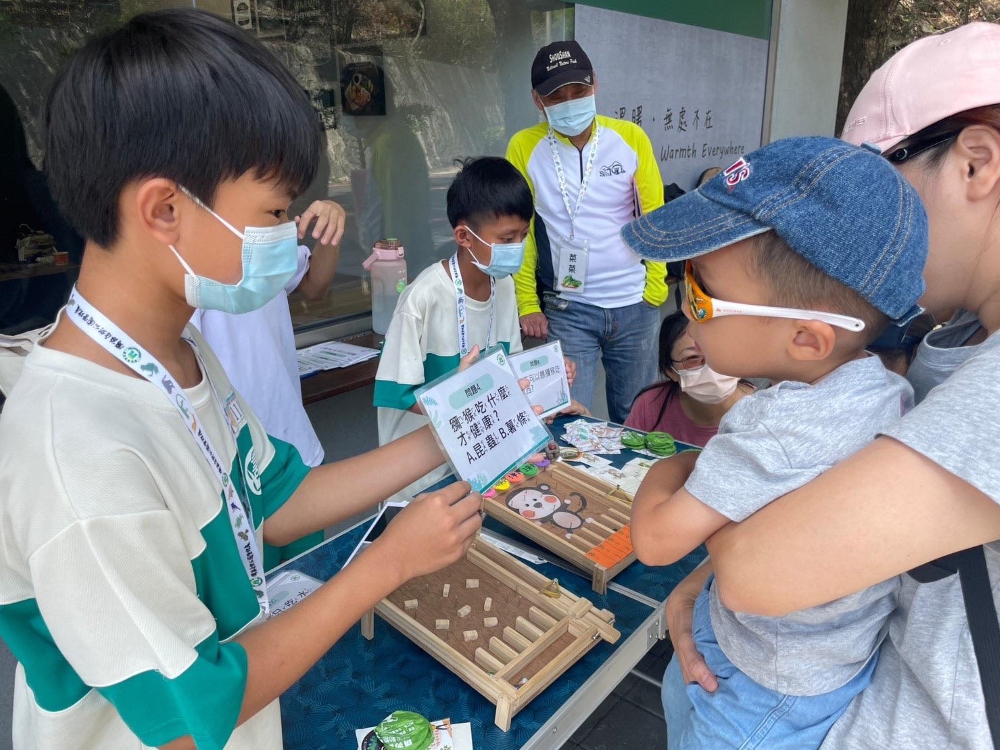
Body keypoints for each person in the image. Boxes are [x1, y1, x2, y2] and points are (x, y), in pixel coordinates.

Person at [0, 11, 485, 748]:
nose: (286, 234)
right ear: (165, 210)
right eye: (274, 212)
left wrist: (447, 431)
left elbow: (276, 501)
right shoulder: (77, 452)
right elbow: (189, 720)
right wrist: (386, 563)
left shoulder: (178, 352)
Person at [663, 23, 1000, 750]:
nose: (858, 236)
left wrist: (693, 482)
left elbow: (755, 570)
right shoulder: (954, 341)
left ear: (976, 163)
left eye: (881, 181)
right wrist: (712, 583)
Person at [623, 137, 928, 748]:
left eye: (700, 292)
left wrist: (677, 461)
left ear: (807, 339)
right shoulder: (882, 386)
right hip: (824, 663)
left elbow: (654, 541)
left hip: (759, 686)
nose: (686, 307)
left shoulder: (771, 431)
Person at [506, 40, 667, 423]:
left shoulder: (630, 137)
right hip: (569, 309)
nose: (570, 102)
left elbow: (655, 215)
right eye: (556, 97)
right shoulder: (524, 147)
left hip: (635, 304)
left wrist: (655, 285)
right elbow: (519, 229)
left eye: (578, 91)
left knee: (636, 418)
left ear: (595, 84)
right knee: (565, 417)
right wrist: (527, 302)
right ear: (537, 100)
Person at [190, 197, 345, 568]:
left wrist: (329, 236)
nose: (287, 223)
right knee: (261, 588)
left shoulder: (266, 248)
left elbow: (315, 286)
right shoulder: (187, 270)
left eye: (286, 210)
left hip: (294, 448)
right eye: (276, 212)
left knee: (309, 578)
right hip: (233, 471)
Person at [373, 157, 532, 501]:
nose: (518, 247)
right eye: (507, 238)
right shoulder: (423, 297)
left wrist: (546, 376)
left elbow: (510, 367)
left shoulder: (504, 285)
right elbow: (398, 393)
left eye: (524, 236)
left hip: (476, 462)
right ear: (464, 236)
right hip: (419, 479)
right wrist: (457, 394)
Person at [624, 310, 752, 447]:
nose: (710, 366)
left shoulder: (761, 410)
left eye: (719, 352)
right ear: (670, 371)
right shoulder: (650, 405)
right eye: (693, 358)